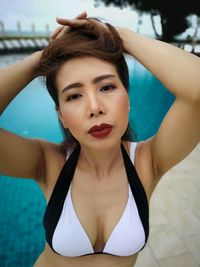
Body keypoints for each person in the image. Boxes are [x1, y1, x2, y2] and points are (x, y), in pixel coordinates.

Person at [0, 11, 200, 267]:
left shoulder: (147, 162)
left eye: (106, 87)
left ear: (127, 99)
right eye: (74, 96)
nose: (94, 107)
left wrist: (120, 36)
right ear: (61, 115)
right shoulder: (48, 164)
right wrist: (43, 58)